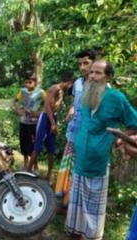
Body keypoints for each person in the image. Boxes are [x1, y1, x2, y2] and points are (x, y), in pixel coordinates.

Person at [65, 60, 137, 240]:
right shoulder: (87, 95)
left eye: (98, 73)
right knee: (76, 208)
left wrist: (118, 137)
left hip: (98, 162)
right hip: (80, 159)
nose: (93, 77)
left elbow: (134, 122)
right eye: (91, 73)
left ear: (109, 77)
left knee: (93, 211)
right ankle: (76, 234)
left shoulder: (116, 98)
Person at [55, 49, 96, 213]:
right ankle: (64, 202)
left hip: (89, 135)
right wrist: (71, 109)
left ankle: (76, 205)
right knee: (68, 166)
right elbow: (73, 102)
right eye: (80, 64)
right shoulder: (78, 83)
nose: (82, 67)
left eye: (86, 63)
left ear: (94, 62)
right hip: (74, 131)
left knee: (80, 169)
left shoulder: (100, 85)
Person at [26, 72, 74, 182]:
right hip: (46, 119)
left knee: (51, 148)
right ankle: (27, 172)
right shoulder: (55, 88)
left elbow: (54, 108)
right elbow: (47, 105)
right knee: (37, 146)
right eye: (72, 84)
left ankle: (49, 174)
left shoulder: (61, 91)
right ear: (69, 82)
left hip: (53, 118)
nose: (71, 87)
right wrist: (52, 123)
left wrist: (55, 122)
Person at [13, 71, 46, 170]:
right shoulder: (22, 91)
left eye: (30, 82)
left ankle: (35, 166)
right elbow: (15, 101)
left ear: (35, 82)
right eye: (26, 82)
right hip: (23, 122)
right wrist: (18, 109)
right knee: (24, 142)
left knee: (33, 144)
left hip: (34, 123)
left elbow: (48, 104)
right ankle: (26, 163)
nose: (28, 84)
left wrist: (40, 113)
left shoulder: (41, 92)